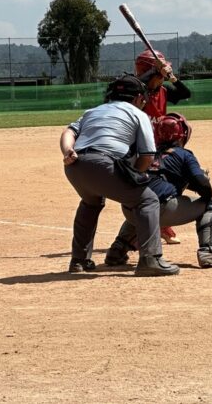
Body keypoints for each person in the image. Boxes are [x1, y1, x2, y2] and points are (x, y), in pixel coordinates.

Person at [59, 74, 179, 276]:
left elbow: (68, 132)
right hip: (104, 163)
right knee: (147, 200)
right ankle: (151, 259)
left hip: (75, 166)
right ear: (139, 98)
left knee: (90, 203)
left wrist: (68, 150)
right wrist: (135, 177)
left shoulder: (92, 111)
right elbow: (148, 155)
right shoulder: (138, 114)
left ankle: (79, 260)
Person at [104, 113, 212, 269]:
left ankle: (117, 251)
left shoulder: (149, 152)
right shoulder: (184, 154)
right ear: (182, 135)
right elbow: (201, 183)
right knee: (209, 205)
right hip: (162, 209)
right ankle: (209, 253)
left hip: (128, 209)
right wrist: (206, 191)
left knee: (140, 204)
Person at [135, 49, 192, 245]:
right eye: (158, 75)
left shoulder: (164, 91)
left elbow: (186, 93)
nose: (161, 79)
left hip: (159, 146)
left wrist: (172, 77)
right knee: (143, 188)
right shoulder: (137, 91)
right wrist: (155, 70)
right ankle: (146, 229)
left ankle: (160, 225)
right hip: (140, 148)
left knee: (165, 183)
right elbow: (142, 83)